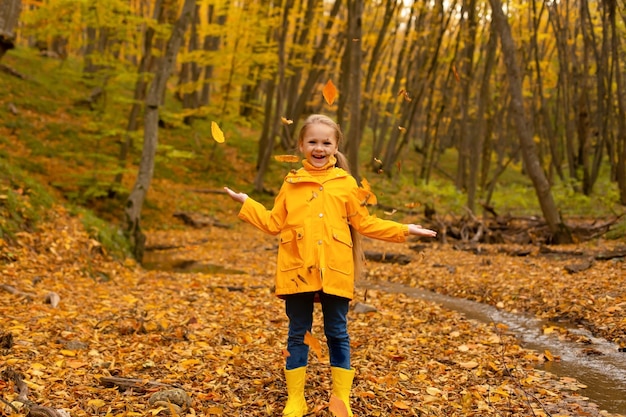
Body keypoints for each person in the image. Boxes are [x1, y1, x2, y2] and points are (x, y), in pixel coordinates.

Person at [224, 114, 437, 417]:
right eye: (313, 141)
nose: (319, 148)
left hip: (336, 270)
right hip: (297, 269)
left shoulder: (346, 185)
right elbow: (274, 222)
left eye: (326, 142)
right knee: (298, 333)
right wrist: (247, 202)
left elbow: (365, 223)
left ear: (336, 147)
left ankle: (341, 400)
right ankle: (296, 399)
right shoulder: (292, 184)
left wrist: (404, 229)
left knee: (337, 333)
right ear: (301, 145)